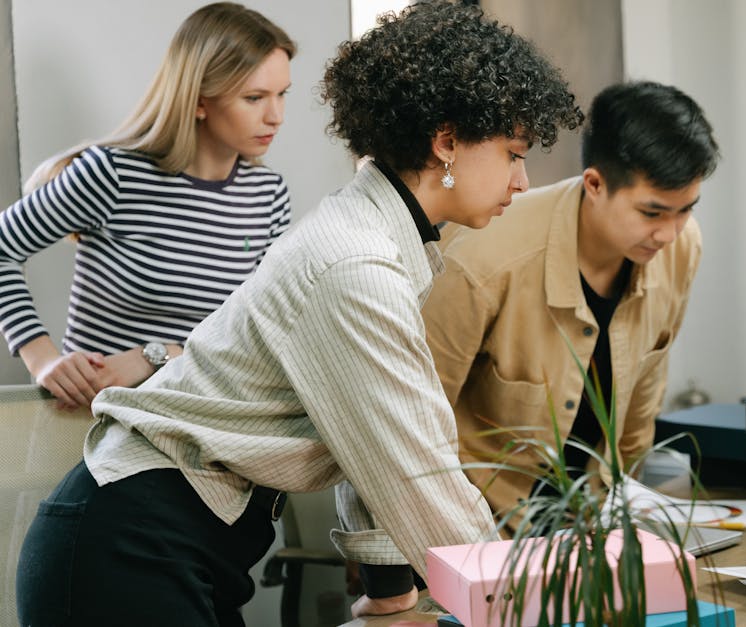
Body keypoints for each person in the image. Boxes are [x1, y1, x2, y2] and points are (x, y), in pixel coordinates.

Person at [15, 1, 583, 624]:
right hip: (127, 547)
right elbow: (417, 468)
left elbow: (365, 432)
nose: (523, 181)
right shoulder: (355, 263)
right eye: (513, 153)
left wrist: (393, 590)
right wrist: (525, 606)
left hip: (173, 544)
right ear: (447, 142)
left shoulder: (376, 240)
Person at [421, 80, 719, 519]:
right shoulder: (483, 257)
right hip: (483, 529)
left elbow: (643, 398)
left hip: (595, 521)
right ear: (595, 185)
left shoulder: (680, 245)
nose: (668, 233)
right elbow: (414, 424)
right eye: (652, 213)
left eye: (686, 209)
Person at [1, 2, 295, 410]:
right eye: (254, 97)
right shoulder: (114, 175)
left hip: (198, 429)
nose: (276, 116)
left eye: (282, 94)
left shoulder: (269, 194)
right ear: (198, 100)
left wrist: (154, 356)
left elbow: (257, 333)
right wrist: (43, 360)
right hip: (91, 427)